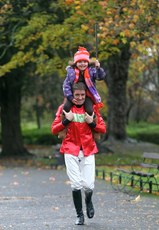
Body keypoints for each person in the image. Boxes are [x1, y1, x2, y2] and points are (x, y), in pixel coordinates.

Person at [51, 82, 106, 225]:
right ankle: (79, 215)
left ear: (85, 94)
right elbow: (54, 129)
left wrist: (91, 122)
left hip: (88, 149)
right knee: (76, 184)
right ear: (72, 95)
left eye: (82, 95)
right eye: (77, 95)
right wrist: (66, 121)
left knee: (88, 185)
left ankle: (88, 201)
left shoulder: (92, 109)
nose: (80, 98)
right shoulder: (64, 109)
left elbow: (103, 128)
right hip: (70, 149)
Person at [63, 46, 106, 116]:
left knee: (89, 110)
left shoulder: (91, 71)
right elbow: (66, 85)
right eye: (80, 62)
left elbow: (100, 77)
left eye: (85, 62)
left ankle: (92, 124)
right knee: (66, 107)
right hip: (74, 95)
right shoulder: (71, 72)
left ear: (88, 62)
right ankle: (65, 124)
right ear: (76, 63)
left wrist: (98, 69)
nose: (82, 64)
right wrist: (70, 97)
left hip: (87, 95)